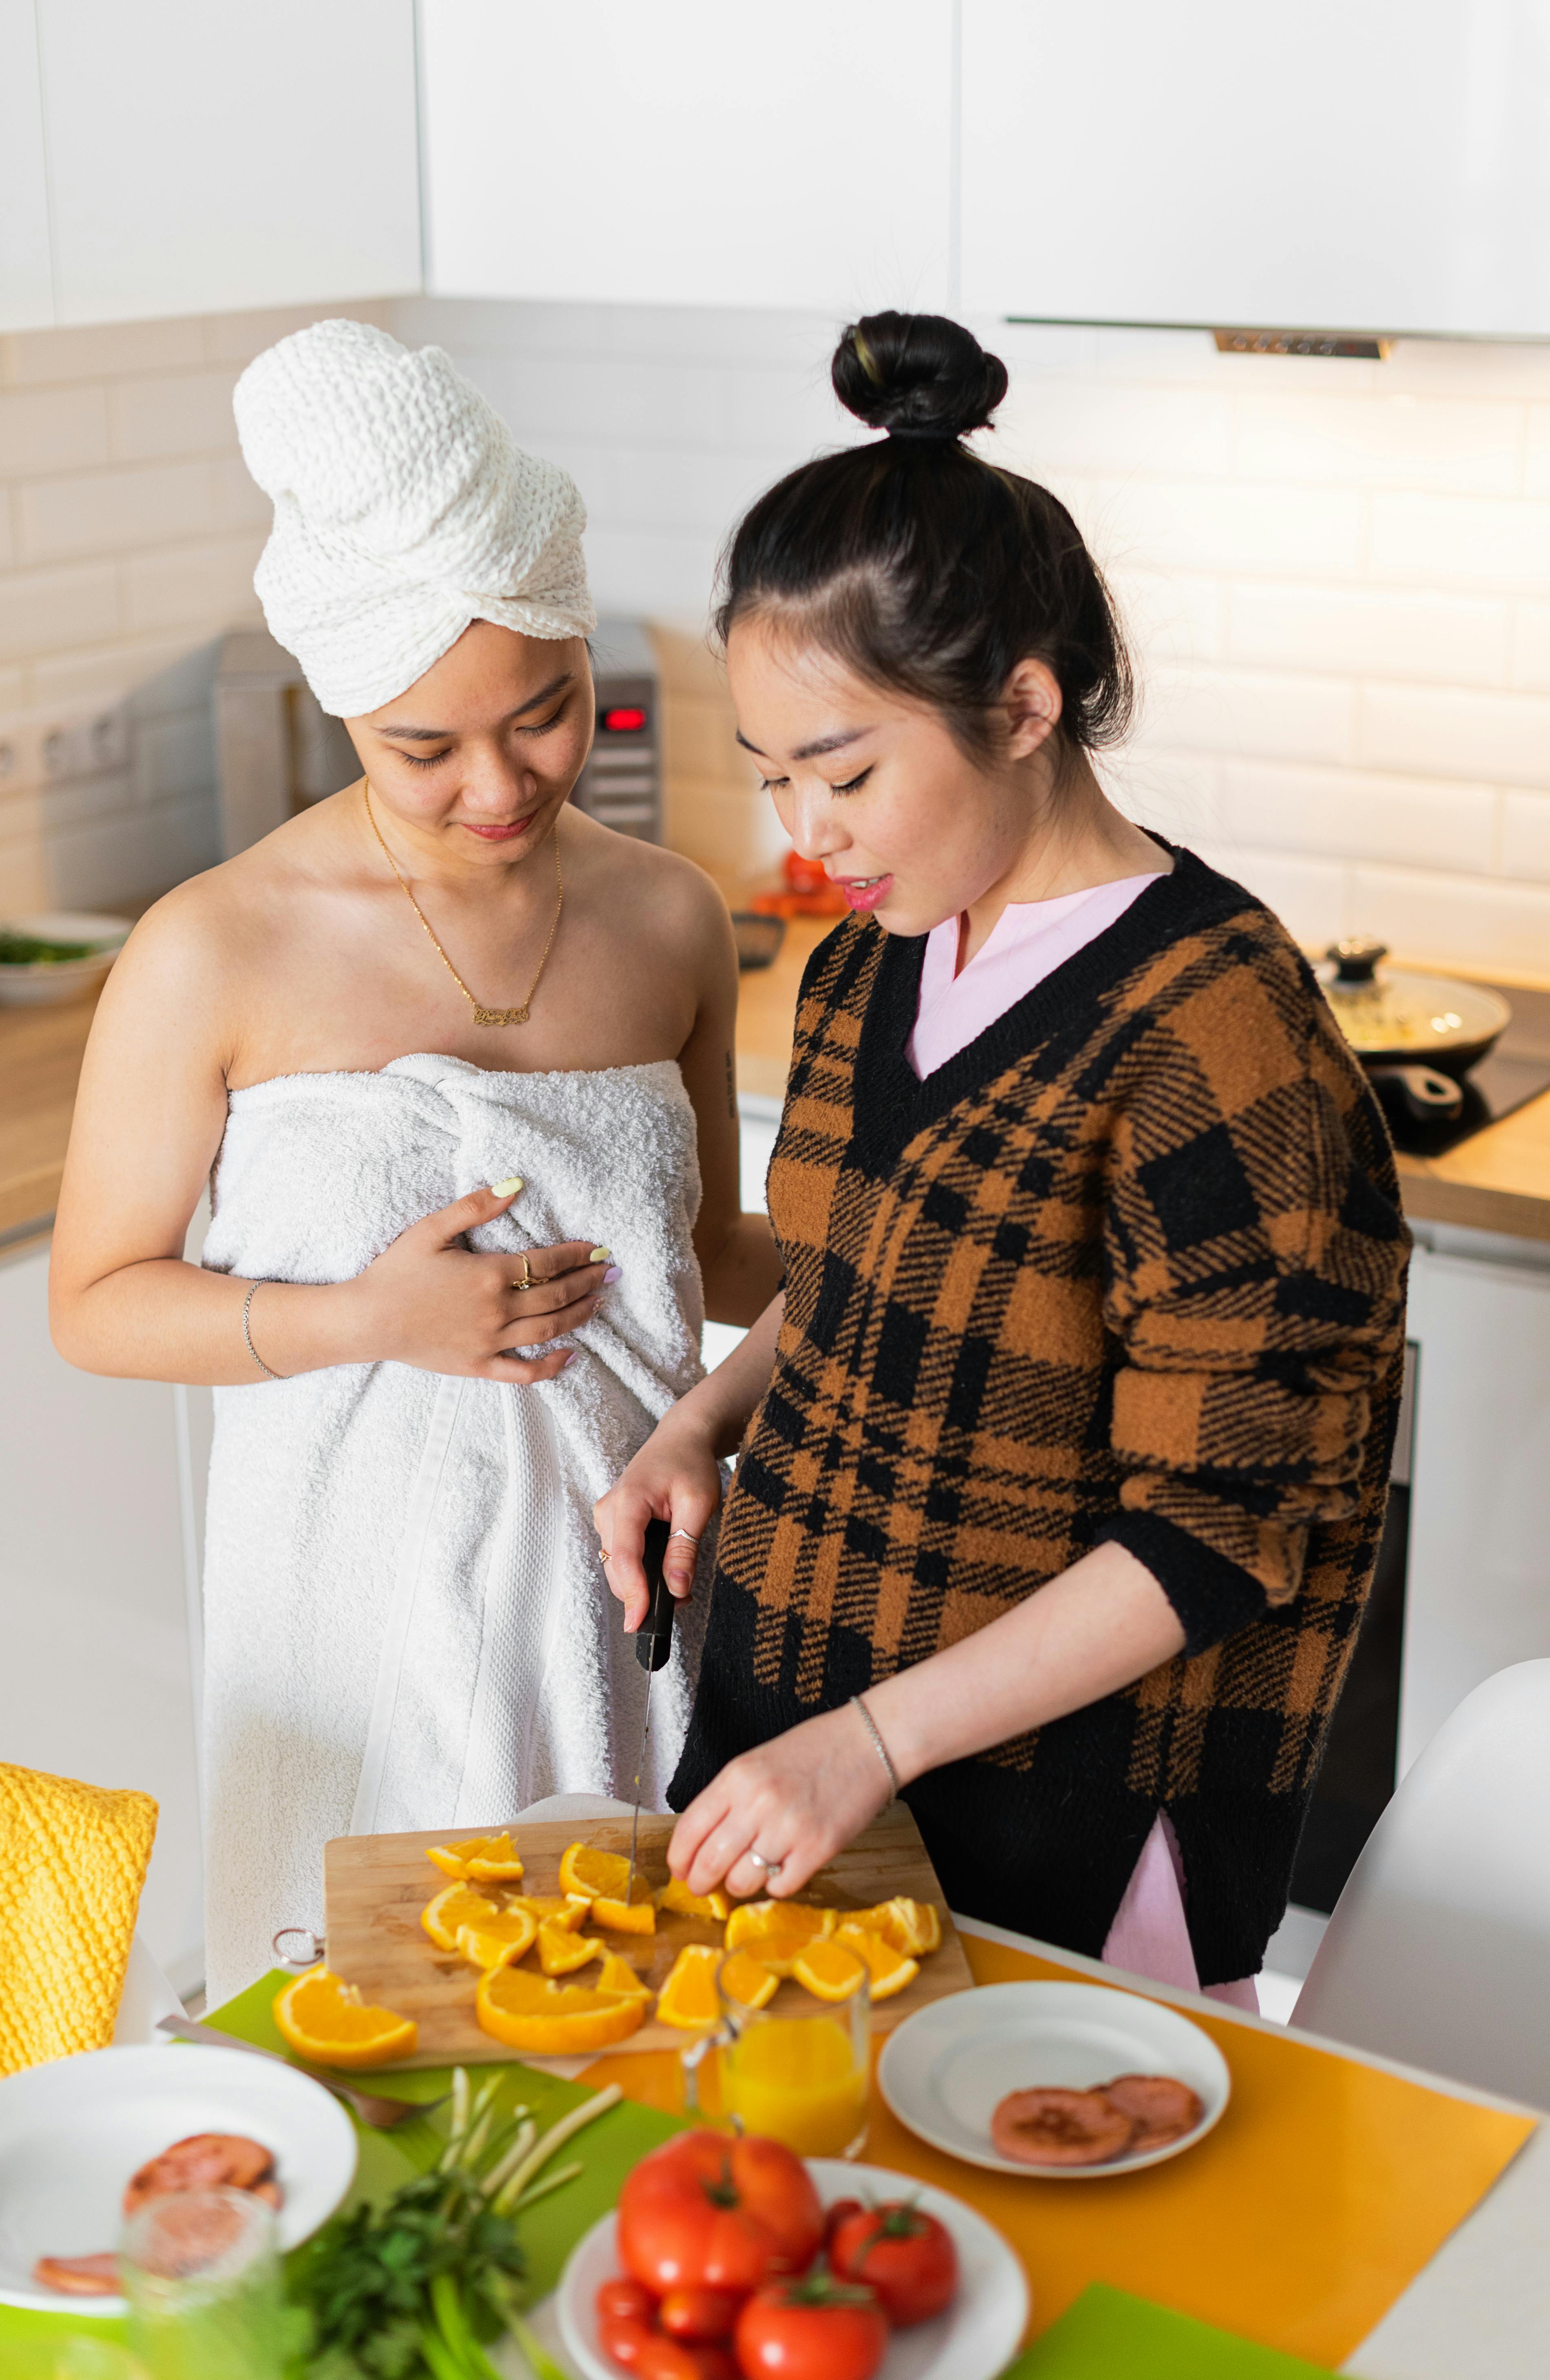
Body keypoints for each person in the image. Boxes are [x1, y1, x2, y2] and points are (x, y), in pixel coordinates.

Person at [596, 311, 1410, 2005]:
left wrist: (867, 1743)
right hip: (800, 1746)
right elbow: (849, 1294)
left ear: (1021, 703)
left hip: (1068, 1823)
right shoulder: (875, 956)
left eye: (842, 773)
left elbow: (1219, 1531)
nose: (799, 839)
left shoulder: (1217, 1032)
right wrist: (696, 1423)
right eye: (770, 779)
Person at [50, 320, 779, 2006]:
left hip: (628, 1595)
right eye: (420, 749)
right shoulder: (214, 946)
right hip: (352, 1616)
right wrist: (369, 1319)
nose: (499, 784)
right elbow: (96, 1300)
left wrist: (920, 1250)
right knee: (368, 2055)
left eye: (542, 715)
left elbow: (695, 1252)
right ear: (339, 709)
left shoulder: (668, 913)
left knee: (632, 2046)